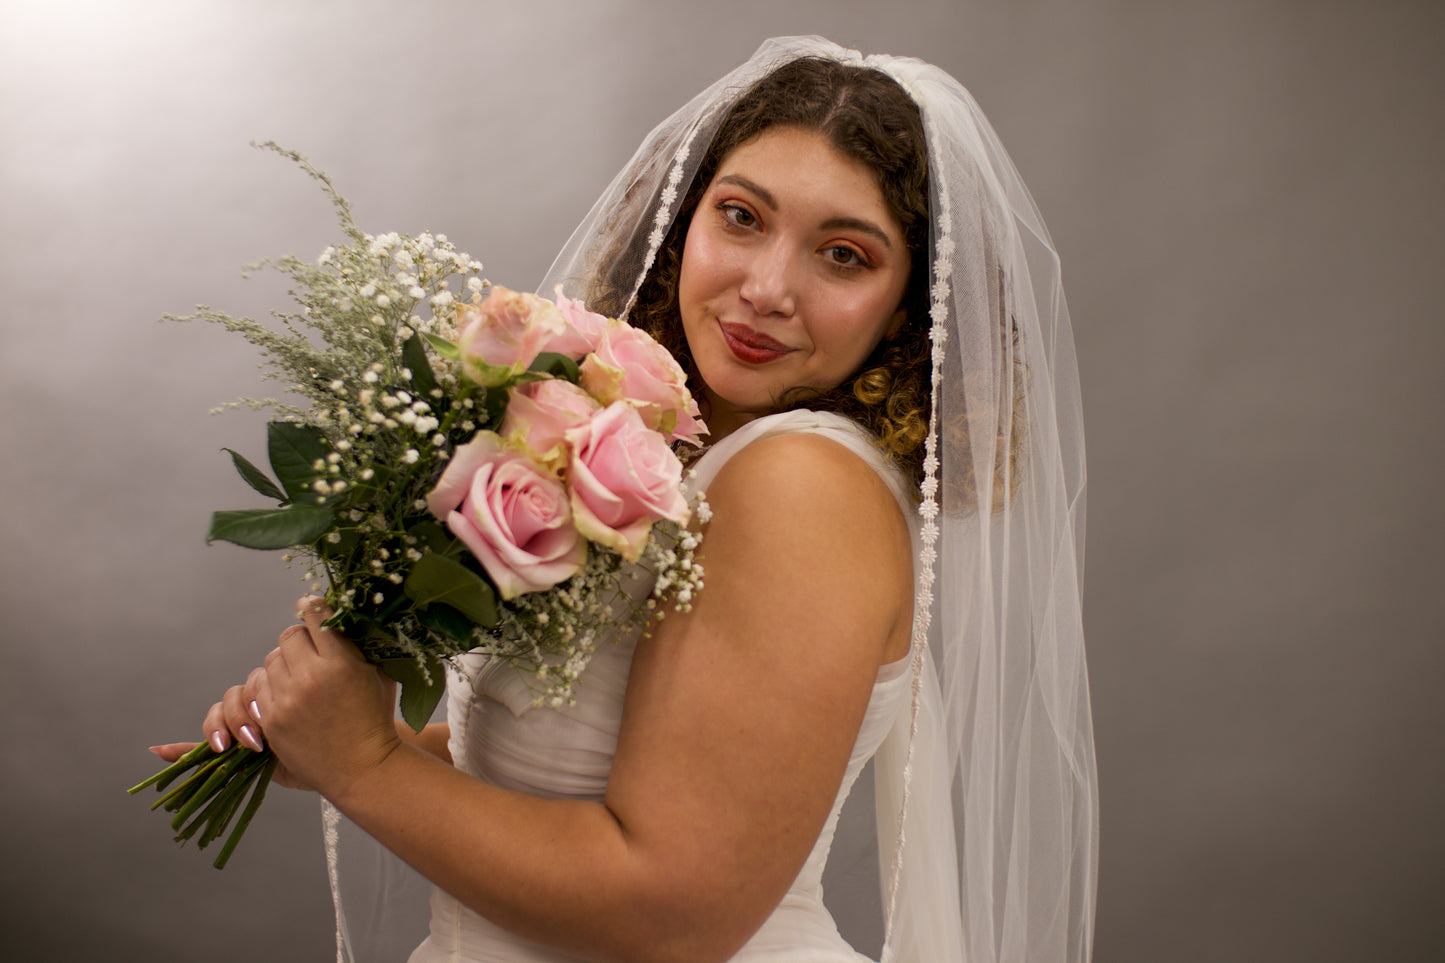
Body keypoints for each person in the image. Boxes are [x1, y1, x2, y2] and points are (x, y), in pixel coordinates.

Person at [154, 36, 1097, 963]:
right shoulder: (671, 453)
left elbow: (674, 914)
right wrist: (339, 731)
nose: (766, 287)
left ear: (906, 309)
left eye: (844, 255)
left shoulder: (803, 487)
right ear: (682, 220)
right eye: (740, 217)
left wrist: (366, 766)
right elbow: (588, 763)